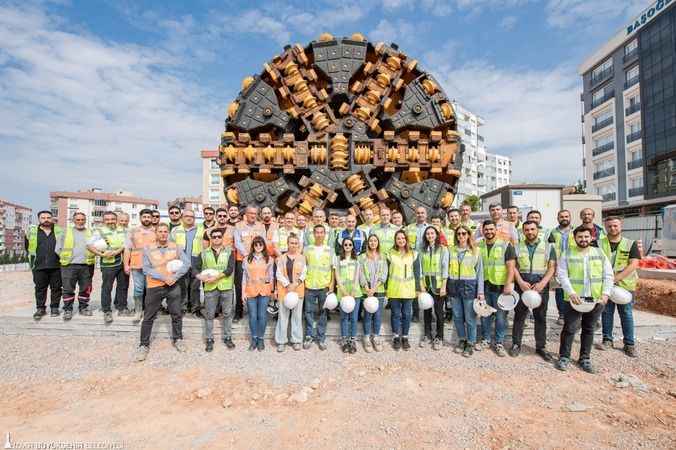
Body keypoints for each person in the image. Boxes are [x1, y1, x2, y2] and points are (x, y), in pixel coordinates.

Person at [555, 226, 614, 373]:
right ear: (575, 238)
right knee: (569, 328)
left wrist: (606, 293)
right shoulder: (567, 253)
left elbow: (608, 275)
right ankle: (564, 357)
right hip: (574, 300)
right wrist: (571, 292)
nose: (583, 239)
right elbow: (562, 275)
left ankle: (585, 358)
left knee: (589, 329)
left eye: (586, 237)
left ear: (591, 237)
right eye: (580, 237)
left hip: (595, 299)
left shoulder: (599, 253)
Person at [135, 223, 190, 361]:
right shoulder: (148, 249)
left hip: (173, 286)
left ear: (168, 233)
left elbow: (187, 263)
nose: (163, 234)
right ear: (156, 233)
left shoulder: (175, 247)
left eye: (166, 231)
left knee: (176, 314)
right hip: (154, 286)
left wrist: (175, 277)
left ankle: (178, 339)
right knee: (149, 316)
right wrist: (164, 277)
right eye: (160, 231)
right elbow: (146, 269)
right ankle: (144, 345)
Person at [511, 221, 557, 361]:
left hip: (540, 284)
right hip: (522, 283)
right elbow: (513, 267)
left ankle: (541, 347)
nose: (530, 232)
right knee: (519, 316)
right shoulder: (517, 247)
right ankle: (516, 344)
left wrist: (543, 283)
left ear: (538, 230)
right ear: (523, 231)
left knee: (540, 317)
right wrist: (520, 282)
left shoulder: (548, 247)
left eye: (532, 229)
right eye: (527, 230)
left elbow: (552, 267)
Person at [598, 216, 640, 357]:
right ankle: (607, 340)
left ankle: (629, 344)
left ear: (620, 226)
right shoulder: (598, 243)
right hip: (605, 285)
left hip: (625, 286)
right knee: (606, 312)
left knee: (626, 314)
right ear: (605, 227)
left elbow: (633, 264)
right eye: (609, 226)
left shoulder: (630, 244)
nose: (613, 228)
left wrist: (616, 278)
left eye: (615, 225)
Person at [478, 220, 516, 356]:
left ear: (496, 230)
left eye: (491, 229)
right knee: (485, 315)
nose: (489, 231)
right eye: (486, 229)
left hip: (500, 287)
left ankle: (499, 342)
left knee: (500, 317)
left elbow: (511, 267)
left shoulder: (505, 245)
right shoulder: (478, 245)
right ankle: (486, 339)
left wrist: (508, 284)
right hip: (484, 286)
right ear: (482, 231)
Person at [194, 228, 235, 352]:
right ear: (211, 239)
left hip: (226, 287)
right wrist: (199, 276)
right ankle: (209, 339)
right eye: (214, 237)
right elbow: (195, 268)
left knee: (227, 314)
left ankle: (228, 337)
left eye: (219, 236)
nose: (217, 238)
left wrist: (216, 277)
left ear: (222, 238)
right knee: (209, 315)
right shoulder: (204, 253)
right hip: (210, 288)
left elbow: (230, 269)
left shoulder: (229, 252)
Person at [448, 225, 484, 357]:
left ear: (468, 235)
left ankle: (471, 342)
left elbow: (480, 273)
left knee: (470, 317)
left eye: (464, 233)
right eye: (459, 234)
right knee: (457, 316)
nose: (461, 236)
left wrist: (480, 292)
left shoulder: (476, 251)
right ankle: (462, 339)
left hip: (469, 286)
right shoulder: (451, 250)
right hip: (454, 286)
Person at [90, 211, 129, 323]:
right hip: (108, 264)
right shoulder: (99, 231)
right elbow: (89, 245)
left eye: (112, 219)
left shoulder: (121, 229)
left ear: (116, 220)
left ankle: (121, 307)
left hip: (122, 261)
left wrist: (117, 251)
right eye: (107, 219)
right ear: (103, 220)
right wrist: (101, 254)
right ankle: (106, 309)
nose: (110, 221)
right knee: (107, 287)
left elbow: (125, 244)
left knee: (123, 286)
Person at [55, 212, 95, 320]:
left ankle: (83, 307)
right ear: (73, 220)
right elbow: (58, 248)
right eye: (78, 220)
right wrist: (65, 258)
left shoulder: (91, 233)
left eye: (82, 219)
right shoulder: (66, 232)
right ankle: (68, 309)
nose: (80, 222)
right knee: (68, 288)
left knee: (86, 288)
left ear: (85, 220)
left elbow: (96, 247)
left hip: (86, 265)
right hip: (69, 265)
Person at [387, 230, 421, 351]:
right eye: (398, 239)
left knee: (407, 314)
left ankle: (405, 337)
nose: (401, 240)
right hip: (394, 288)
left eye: (403, 238)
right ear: (395, 240)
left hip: (408, 289)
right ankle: (396, 336)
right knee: (395, 314)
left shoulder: (413, 254)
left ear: (406, 240)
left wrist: (418, 288)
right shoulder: (390, 253)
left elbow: (417, 273)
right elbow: (386, 273)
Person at [26, 210, 63, 320]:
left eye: (48, 217)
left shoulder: (59, 231)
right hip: (38, 265)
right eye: (43, 218)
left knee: (56, 288)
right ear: (39, 219)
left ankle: (54, 307)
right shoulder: (32, 232)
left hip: (56, 265)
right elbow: (27, 247)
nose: (46, 219)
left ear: (52, 219)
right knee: (40, 288)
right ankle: (40, 308)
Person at [303, 224, 334, 350]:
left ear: (325, 234)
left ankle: (321, 338)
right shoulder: (307, 249)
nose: (319, 234)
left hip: (324, 285)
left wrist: (332, 284)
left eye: (322, 232)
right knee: (308, 312)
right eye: (317, 232)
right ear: (313, 234)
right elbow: (303, 266)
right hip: (309, 285)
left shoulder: (330, 249)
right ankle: (309, 336)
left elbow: (333, 268)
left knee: (323, 312)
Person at [124, 209, 157, 323]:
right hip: (136, 265)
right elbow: (127, 249)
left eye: (149, 217)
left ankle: (149, 312)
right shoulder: (133, 231)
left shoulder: (156, 231)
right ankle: (138, 311)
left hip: (152, 266)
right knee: (138, 289)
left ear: (152, 218)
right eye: (144, 217)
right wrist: (126, 265)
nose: (146, 219)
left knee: (151, 289)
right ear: (140, 218)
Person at [234, 206, 266, 323]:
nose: (253, 215)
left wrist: (257, 255)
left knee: (258, 283)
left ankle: (256, 311)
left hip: (257, 261)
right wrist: (247, 254)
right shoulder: (238, 226)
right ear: (246, 214)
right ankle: (238, 311)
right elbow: (237, 242)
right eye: (251, 213)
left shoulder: (261, 226)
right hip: (242, 259)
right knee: (239, 286)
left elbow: (263, 242)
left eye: (255, 213)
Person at [419, 226, 449, 350]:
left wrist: (443, 286)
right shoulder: (422, 250)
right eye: (428, 234)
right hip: (426, 285)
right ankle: (427, 334)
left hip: (438, 285)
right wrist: (421, 284)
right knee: (426, 311)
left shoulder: (443, 249)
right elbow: (420, 268)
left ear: (436, 235)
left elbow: (445, 268)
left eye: (432, 233)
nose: (430, 236)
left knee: (438, 312)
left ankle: (439, 337)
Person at [242, 236, 274, 351]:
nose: (258, 247)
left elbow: (271, 277)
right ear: (253, 246)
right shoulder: (247, 259)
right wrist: (243, 293)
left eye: (260, 244)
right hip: (250, 290)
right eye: (256, 244)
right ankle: (254, 338)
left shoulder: (269, 259)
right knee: (252, 316)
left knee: (262, 316)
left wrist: (271, 291)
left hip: (264, 291)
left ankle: (261, 339)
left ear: (264, 246)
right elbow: (244, 278)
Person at [275, 234, 306, 352]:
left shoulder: (302, 258)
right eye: (291, 243)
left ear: (298, 245)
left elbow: (304, 273)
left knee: (297, 317)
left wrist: (296, 284)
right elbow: (278, 273)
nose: (293, 245)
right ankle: (281, 341)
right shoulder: (281, 258)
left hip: (298, 291)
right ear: (287, 244)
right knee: (283, 316)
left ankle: (296, 340)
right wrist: (287, 285)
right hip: (284, 291)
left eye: (295, 243)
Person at [170, 209, 204, 316]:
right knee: (182, 286)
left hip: (196, 261)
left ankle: (195, 309)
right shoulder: (175, 230)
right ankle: (183, 307)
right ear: (182, 217)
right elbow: (171, 247)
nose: (189, 218)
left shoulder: (201, 229)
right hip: (181, 262)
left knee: (195, 286)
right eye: (186, 216)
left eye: (192, 216)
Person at [359, 234, 388, 352]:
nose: (373, 243)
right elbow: (360, 274)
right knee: (367, 314)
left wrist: (374, 288)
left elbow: (384, 274)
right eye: (370, 241)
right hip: (366, 291)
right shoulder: (361, 257)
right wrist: (367, 288)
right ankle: (366, 337)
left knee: (377, 315)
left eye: (375, 241)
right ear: (367, 243)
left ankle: (376, 336)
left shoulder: (383, 257)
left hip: (378, 290)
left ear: (378, 243)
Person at [333, 237, 361, 353]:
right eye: (346, 245)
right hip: (343, 292)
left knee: (354, 318)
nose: (348, 246)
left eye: (350, 244)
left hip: (355, 292)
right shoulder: (338, 259)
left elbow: (357, 276)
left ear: (353, 246)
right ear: (342, 246)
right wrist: (343, 291)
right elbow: (337, 276)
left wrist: (353, 290)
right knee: (344, 317)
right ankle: (344, 339)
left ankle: (352, 340)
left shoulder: (357, 259)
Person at [404, 206, 429, 323]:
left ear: (426, 214)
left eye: (422, 213)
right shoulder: (408, 229)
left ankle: (428, 311)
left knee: (428, 285)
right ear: (415, 214)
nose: (420, 215)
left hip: (427, 260)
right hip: (413, 260)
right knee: (415, 287)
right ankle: (415, 313)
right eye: (418, 213)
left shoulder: (431, 228)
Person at [549, 209, 574, 325]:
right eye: (562, 217)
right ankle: (562, 315)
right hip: (559, 265)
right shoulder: (552, 233)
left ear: (570, 218)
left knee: (572, 290)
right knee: (559, 292)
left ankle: (573, 314)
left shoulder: (575, 231)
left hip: (574, 266)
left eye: (566, 216)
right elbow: (550, 250)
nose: (564, 218)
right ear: (558, 218)